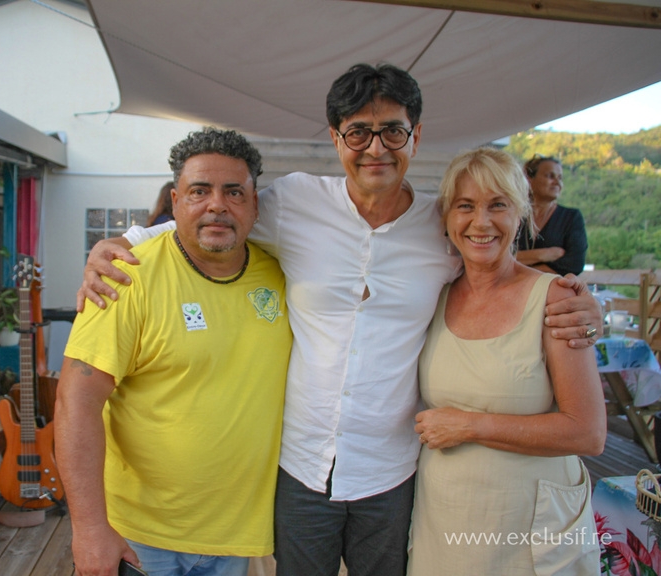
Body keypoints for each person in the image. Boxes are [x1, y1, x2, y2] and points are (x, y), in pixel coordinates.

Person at [76, 64, 603, 576]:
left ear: (415, 136)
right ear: (336, 138)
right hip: (300, 467)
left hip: (392, 472)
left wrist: (575, 298)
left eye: (392, 131)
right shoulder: (295, 203)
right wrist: (121, 244)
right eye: (358, 133)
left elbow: (495, 266)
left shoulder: (442, 226)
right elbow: (214, 213)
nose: (376, 148)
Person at [55, 128, 292, 576]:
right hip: (139, 539)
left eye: (234, 192)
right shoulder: (125, 278)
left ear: (256, 205)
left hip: (239, 539)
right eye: (199, 191)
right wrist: (88, 528)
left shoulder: (283, 276)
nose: (217, 205)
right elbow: (75, 403)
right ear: (176, 200)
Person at [410, 147, 605, 575]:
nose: (481, 222)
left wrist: (469, 425)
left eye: (498, 205)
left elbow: (588, 433)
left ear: (521, 215)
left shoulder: (555, 298)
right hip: (443, 521)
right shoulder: (435, 293)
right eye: (465, 206)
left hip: (529, 528)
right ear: (446, 217)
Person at [516, 155, 588, 276]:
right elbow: (497, 257)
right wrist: (543, 254)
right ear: (529, 179)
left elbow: (574, 264)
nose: (557, 182)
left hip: (553, 291)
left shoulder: (571, 217)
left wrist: (519, 265)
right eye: (550, 176)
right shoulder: (515, 215)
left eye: (560, 177)